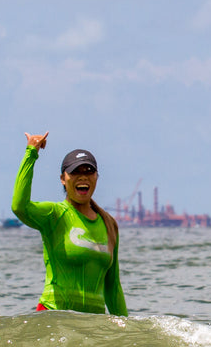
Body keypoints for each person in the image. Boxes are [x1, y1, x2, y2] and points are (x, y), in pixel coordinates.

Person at [12, 132, 127, 316]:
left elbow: (113, 286)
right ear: (63, 179)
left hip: (94, 324)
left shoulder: (109, 224)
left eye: (89, 171)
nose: (83, 177)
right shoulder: (55, 214)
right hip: (54, 316)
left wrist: (126, 331)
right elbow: (19, 207)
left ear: (97, 177)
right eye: (75, 172)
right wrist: (31, 153)